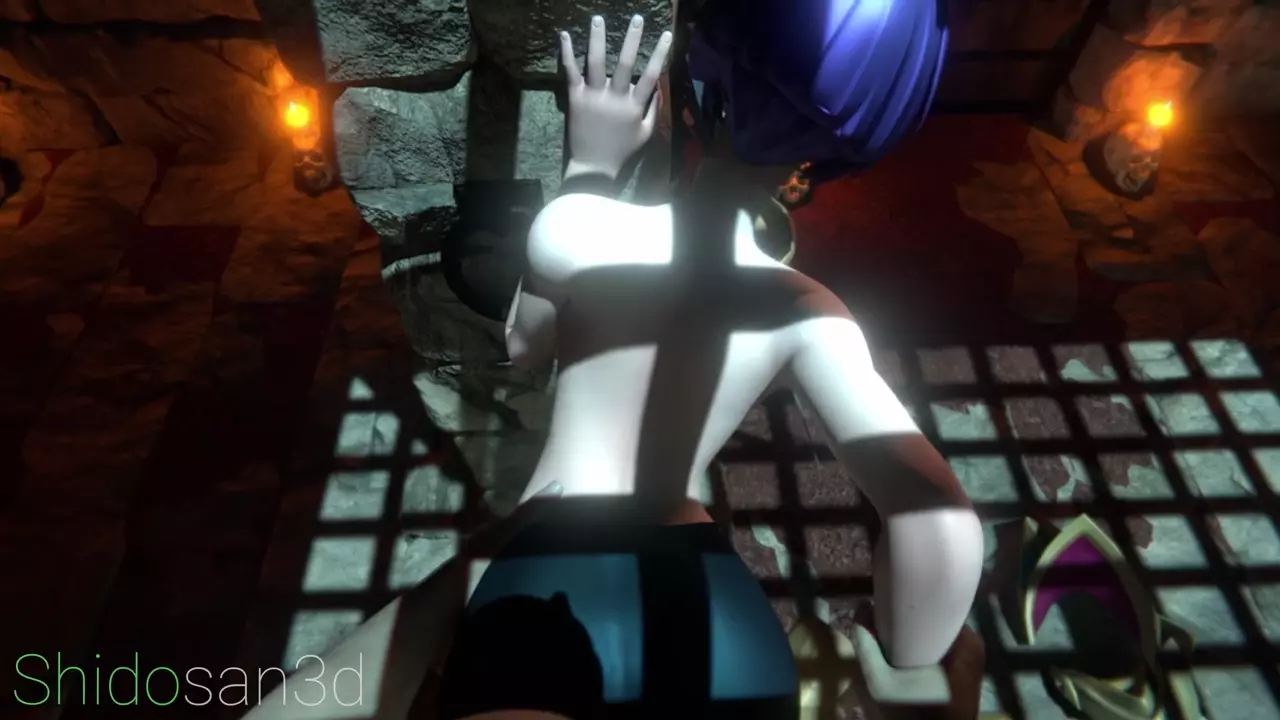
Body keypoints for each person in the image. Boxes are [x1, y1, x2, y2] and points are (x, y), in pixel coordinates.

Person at [245, 6, 981, 720]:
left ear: (694, 91)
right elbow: (939, 519)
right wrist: (910, 675)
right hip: (714, 612)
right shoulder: (807, 309)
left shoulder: (577, 228)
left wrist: (588, 171)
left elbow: (522, 346)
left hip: (548, 565)